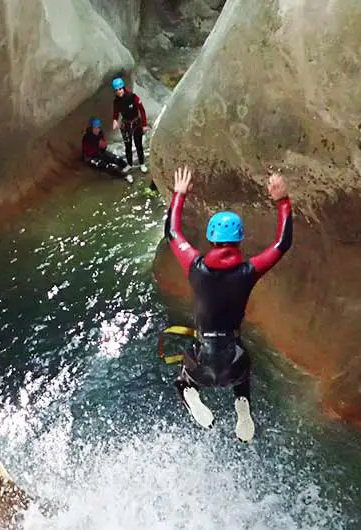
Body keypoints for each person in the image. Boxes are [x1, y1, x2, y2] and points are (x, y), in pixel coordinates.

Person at [164, 166, 293, 443]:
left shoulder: (196, 266)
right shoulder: (249, 271)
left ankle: (191, 393)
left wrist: (179, 194)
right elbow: (283, 244)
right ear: (239, 239)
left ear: (212, 238)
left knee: (182, 381)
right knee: (242, 371)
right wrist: (282, 201)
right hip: (233, 358)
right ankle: (242, 405)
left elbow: (172, 232)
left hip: (202, 360)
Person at [110, 77, 148, 174]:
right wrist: (114, 120)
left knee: (138, 144)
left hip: (136, 123)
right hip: (125, 124)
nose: (119, 92)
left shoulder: (133, 97)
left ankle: (142, 163)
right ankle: (130, 164)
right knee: (128, 145)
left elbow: (142, 110)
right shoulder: (117, 101)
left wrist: (144, 124)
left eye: (120, 89)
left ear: (123, 88)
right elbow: (116, 112)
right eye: (116, 90)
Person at [82, 117, 133, 184]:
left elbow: (104, 147)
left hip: (100, 152)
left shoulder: (100, 133)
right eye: (95, 128)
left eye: (98, 128)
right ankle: (124, 176)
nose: (98, 130)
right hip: (90, 157)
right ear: (91, 128)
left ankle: (127, 167)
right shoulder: (88, 136)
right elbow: (101, 146)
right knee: (107, 166)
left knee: (116, 159)